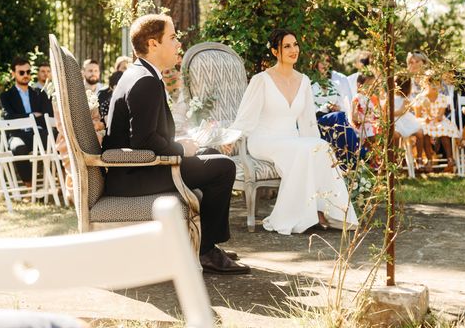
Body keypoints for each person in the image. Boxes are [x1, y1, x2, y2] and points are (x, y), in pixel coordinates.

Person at [102, 14, 249, 275]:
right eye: (172, 37)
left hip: (142, 168)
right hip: (135, 175)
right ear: (153, 43)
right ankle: (204, 250)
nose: (178, 43)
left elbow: (147, 135)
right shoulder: (145, 81)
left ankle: (204, 243)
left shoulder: (141, 74)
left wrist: (185, 143)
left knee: (211, 153)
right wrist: (181, 149)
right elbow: (143, 141)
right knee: (224, 167)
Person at [230, 28, 358, 235]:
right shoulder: (261, 80)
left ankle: (325, 211)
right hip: (264, 139)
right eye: (287, 46)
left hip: (292, 139)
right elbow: (246, 116)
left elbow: (307, 121)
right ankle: (301, 215)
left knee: (319, 147)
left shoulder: (304, 80)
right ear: (274, 52)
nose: (293, 49)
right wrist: (231, 137)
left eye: (295, 44)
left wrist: (314, 145)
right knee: (308, 148)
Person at [0, 57, 54, 185]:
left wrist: (23, 116)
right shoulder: (6, 96)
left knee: (58, 141)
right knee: (18, 148)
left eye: (28, 72)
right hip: (18, 134)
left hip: (39, 133)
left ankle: (59, 184)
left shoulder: (40, 93)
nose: (26, 75)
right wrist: (32, 115)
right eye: (21, 72)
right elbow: (9, 117)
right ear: (13, 74)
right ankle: (29, 185)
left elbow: (47, 115)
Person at [413, 71, 460, 173]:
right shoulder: (420, 98)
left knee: (444, 131)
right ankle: (429, 159)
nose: (434, 85)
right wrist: (426, 118)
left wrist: (436, 117)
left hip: (439, 120)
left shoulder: (442, 98)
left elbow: (440, 115)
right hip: (425, 121)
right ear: (425, 84)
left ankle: (450, 158)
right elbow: (417, 116)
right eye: (431, 83)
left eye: (437, 83)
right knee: (424, 132)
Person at [393, 75, 424, 167]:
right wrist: (392, 114)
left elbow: (402, 112)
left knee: (420, 132)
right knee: (396, 135)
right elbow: (393, 112)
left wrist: (393, 113)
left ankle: (419, 157)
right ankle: (395, 158)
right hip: (396, 121)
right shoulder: (391, 97)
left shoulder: (406, 98)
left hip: (406, 119)